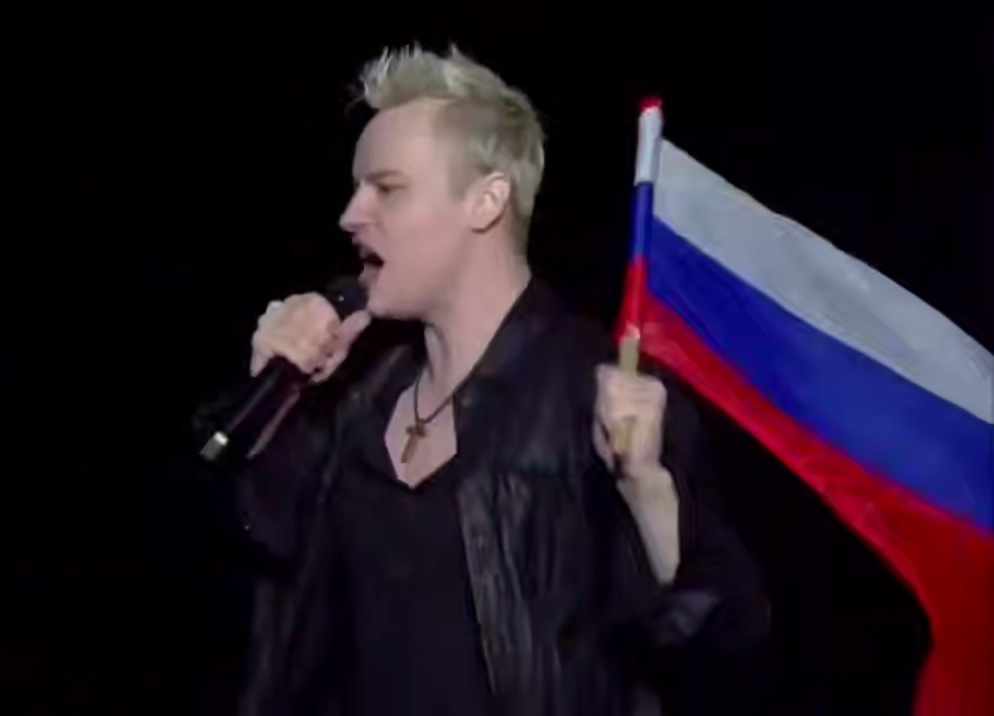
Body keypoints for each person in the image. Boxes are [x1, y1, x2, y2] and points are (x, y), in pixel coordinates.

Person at [196, 45, 769, 716]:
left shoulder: (601, 393)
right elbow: (246, 580)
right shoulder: (353, 397)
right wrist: (279, 395)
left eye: (387, 188)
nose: (351, 215)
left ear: (486, 201)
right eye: (355, 189)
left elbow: (725, 653)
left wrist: (648, 490)